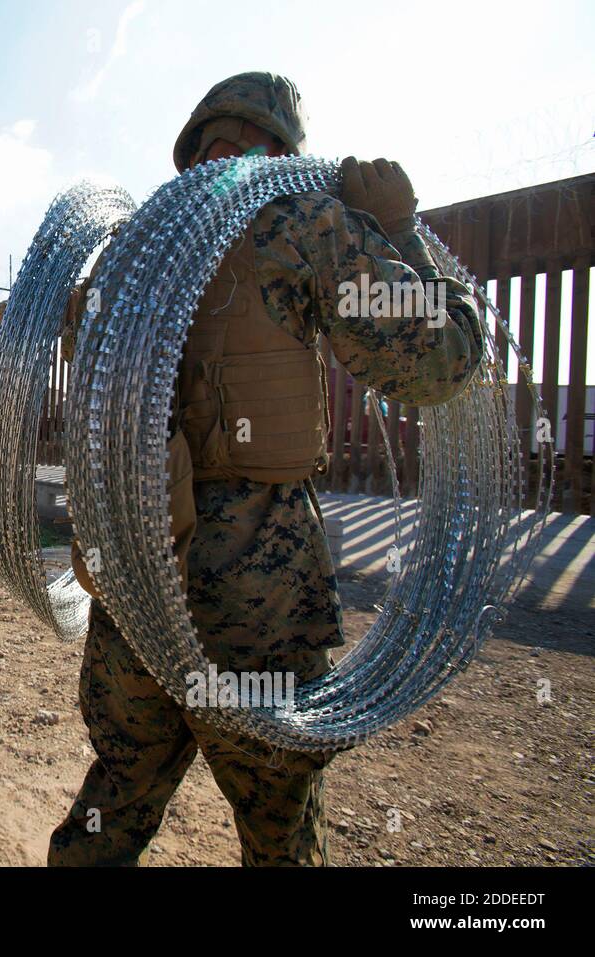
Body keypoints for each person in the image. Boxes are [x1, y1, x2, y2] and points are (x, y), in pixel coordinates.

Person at [51, 72, 484, 866]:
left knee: (115, 799)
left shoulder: (128, 253)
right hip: (256, 598)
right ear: (285, 146)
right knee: (279, 833)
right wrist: (402, 229)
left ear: (200, 143)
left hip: (134, 586)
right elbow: (442, 358)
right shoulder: (302, 221)